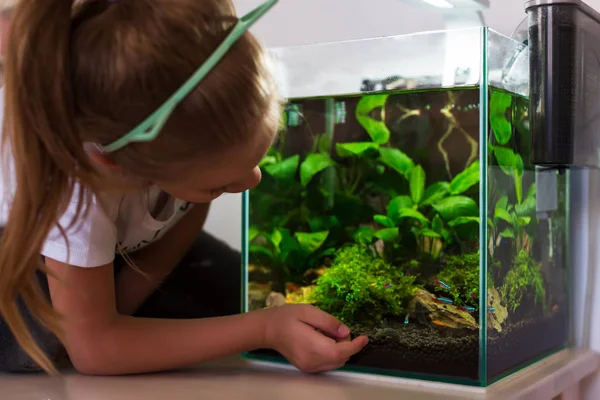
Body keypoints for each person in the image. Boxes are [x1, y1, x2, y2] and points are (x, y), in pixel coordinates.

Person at [0, 0, 368, 375]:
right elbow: (93, 352)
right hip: (21, 266)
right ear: (117, 165)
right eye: (216, 186)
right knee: (41, 348)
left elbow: (185, 214)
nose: (251, 182)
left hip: (121, 249)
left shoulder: (178, 136)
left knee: (232, 295)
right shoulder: (75, 188)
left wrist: (123, 314)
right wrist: (266, 329)